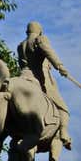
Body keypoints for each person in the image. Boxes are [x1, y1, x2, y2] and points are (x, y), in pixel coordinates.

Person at [17, 21, 73, 149]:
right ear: (40, 31)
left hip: (23, 76)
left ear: (27, 31)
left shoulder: (21, 45)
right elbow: (48, 52)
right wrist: (60, 66)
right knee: (63, 108)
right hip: (39, 80)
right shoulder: (40, 40)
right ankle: (64, 133)